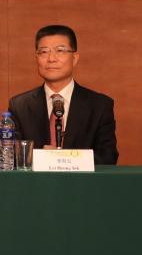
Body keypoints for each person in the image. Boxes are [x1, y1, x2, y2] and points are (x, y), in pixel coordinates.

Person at [8, 24, 118, 165]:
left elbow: (108, 158)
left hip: (81, 180)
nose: (51, 58)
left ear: (75, 58)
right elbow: (11, 157)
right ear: (37, 58)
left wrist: (61, 158)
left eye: (60, 51)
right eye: (44, 52)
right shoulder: (19, 106)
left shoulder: (100, 106)